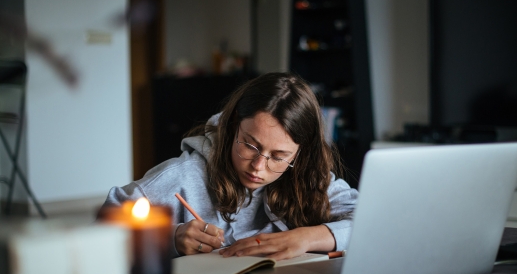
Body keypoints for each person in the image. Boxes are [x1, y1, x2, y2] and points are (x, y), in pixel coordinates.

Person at [102, 72, 358, 261]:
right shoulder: (182, 175)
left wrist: (306, 238)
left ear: (300, 155)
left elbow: (370, 218)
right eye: (250, 145)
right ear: (233, 125)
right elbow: (104, 228)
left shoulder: (309, 175)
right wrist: (170, 237)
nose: (258, 166)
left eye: (279, 156)